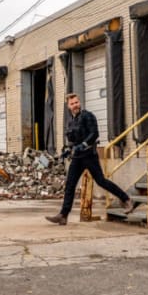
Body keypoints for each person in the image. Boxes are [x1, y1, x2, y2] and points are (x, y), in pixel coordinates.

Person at [46, 93, 134, 225]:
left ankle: (126, 199)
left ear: (79, 102)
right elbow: (72, 140)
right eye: (72, 104)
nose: (75, 105)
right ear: (68, 106)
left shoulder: (88, 116)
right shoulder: (71, 121)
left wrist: (84, 145)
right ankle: (63, 215)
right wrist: (68, 151)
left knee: (101, 181)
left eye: (76, 102)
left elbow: (94, 133)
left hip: (89, 156)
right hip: (77, 158)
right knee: (69, 185)